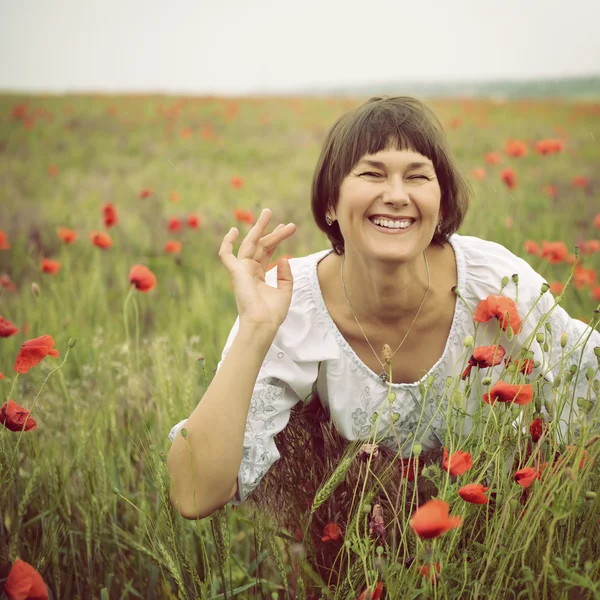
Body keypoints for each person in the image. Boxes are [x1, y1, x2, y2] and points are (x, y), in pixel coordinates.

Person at [166, 96, 600, 527]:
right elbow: (195, 492)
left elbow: (586, 376)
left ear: (442, 204)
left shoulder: (495, 282)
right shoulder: (288, 302)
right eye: (372, 173)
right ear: (331, 203)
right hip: (355, 559)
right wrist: (254, 331)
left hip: (504, 543)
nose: (395, 195)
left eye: (417, 176)